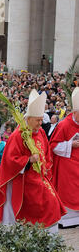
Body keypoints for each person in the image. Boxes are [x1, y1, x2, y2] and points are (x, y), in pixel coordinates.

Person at [0, 90, 66, 234]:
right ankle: (40, 235)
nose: (40, 123)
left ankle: (49, 236)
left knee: (53, 204)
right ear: (29, 118)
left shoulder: (41, 132)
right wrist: (29, 160)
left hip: (40, 177)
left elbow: (47, 153)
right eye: (37, 120)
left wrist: (46, 167)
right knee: (49, 204)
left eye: (40, 120)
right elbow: (10, 161)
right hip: (24, 179)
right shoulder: (18, 136)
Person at [49, 87, 79, 228]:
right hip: (67, 165)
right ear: (75, 112)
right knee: (69, 192)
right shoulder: (64, 124)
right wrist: (70, 144)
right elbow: (53, 146)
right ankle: (67, 221)